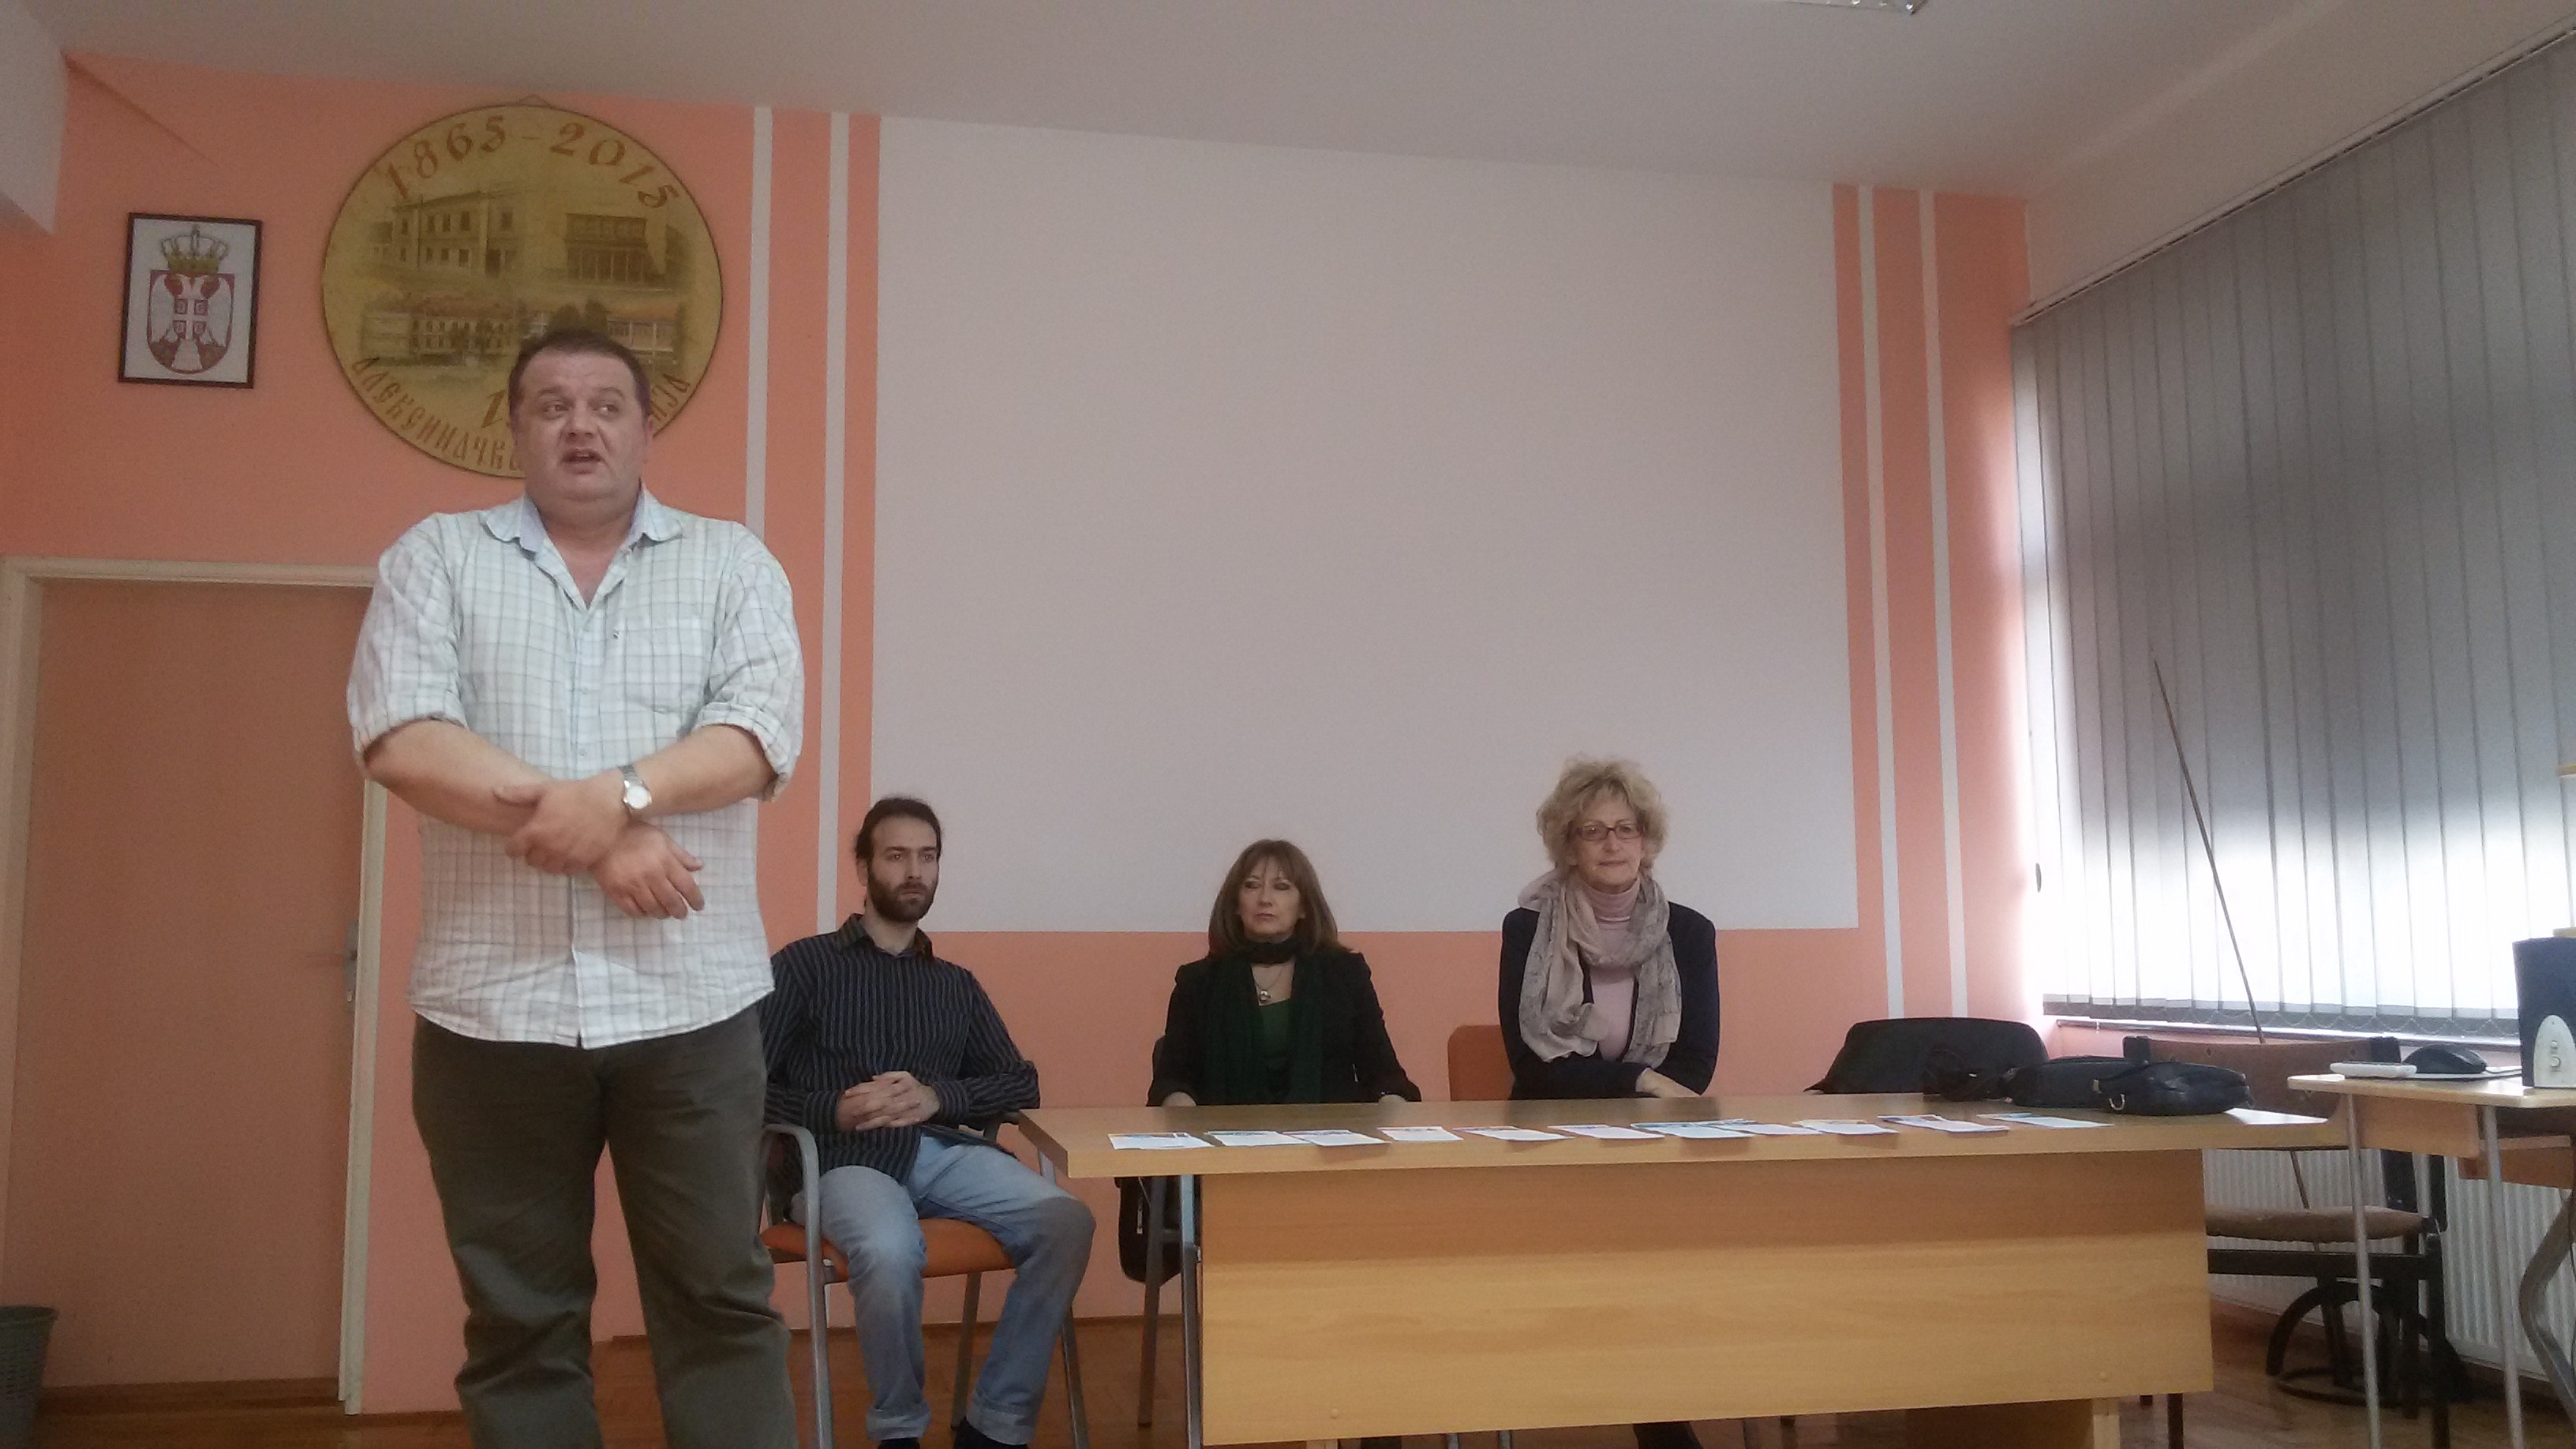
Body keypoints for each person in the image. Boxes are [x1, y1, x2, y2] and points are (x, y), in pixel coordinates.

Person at [348, 328, 804, 1447]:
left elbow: (755, 739)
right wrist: (605, 837)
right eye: (551, 405)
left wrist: (621, 797)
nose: (580, 425)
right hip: (491, 1014)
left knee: (720, 1302)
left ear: (646, 430)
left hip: (692, 1013)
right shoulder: (437, 557)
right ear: (515, 429)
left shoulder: (732, 563)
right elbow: (404, 739)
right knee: (519, 1321)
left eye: (606, 404)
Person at [762, 797, 1095, 1449]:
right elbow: (744, 1087)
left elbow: (1019, 1083)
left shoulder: (954, 984)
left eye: (927, 856)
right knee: (889, 1248)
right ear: (864, 868)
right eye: (896, 856)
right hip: (841, 1159)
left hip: (940, 1153)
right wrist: (833, 1108)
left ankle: (995, 1426)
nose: (914, 871)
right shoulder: (803, 966)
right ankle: (899, 1430)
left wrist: (937, 1098)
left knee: (1066, 1222)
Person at [1500, 759, 1718, 1449]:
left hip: (1652, 1147)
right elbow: (1534, 1069)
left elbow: (1695, 1065)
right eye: (1592, 831)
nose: (1612, 843)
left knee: (1658, 1268)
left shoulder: (1689, 933)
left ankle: (1659, 1411)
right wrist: (1638, 1083)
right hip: (1552, 1143)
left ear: (1647, 841)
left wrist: (1635, 1091)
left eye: (1626, 829)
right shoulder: (1527, 928)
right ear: (1568, 845)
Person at [1150, 840, 1419, 1107]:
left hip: (1329, 1132)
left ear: (1303, 907)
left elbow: (1384, 1074)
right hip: (1227, 1133)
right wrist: (1182, 1110)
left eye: (1281, 887)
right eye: (1252, 885)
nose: (1265, 899)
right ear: (1235, 904)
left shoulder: (1345, 974)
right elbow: (1172, 1081)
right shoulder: (1198, 982)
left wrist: (1394, 1109)